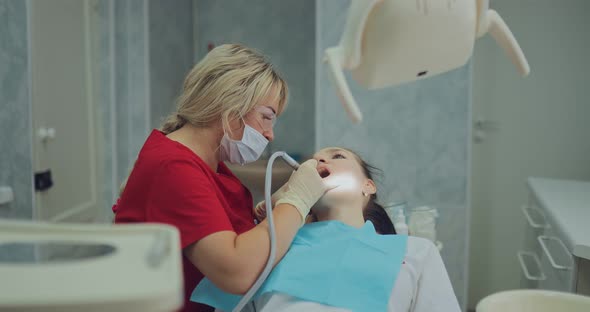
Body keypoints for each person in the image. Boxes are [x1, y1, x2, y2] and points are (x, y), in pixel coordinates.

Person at [112, 44, 331, 312]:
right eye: (266, 117)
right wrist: (296, 201)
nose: (270, 135)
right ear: (229, 104)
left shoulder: (209, 162)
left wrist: (268, 216)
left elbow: (211, 231)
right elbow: (236, 271)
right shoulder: (173, 167)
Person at [192, 147, 461, 312]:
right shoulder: (272, 249)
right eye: (312, 161)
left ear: (368, 186)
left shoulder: (414, 252)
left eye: (337, 156)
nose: (318, 163)